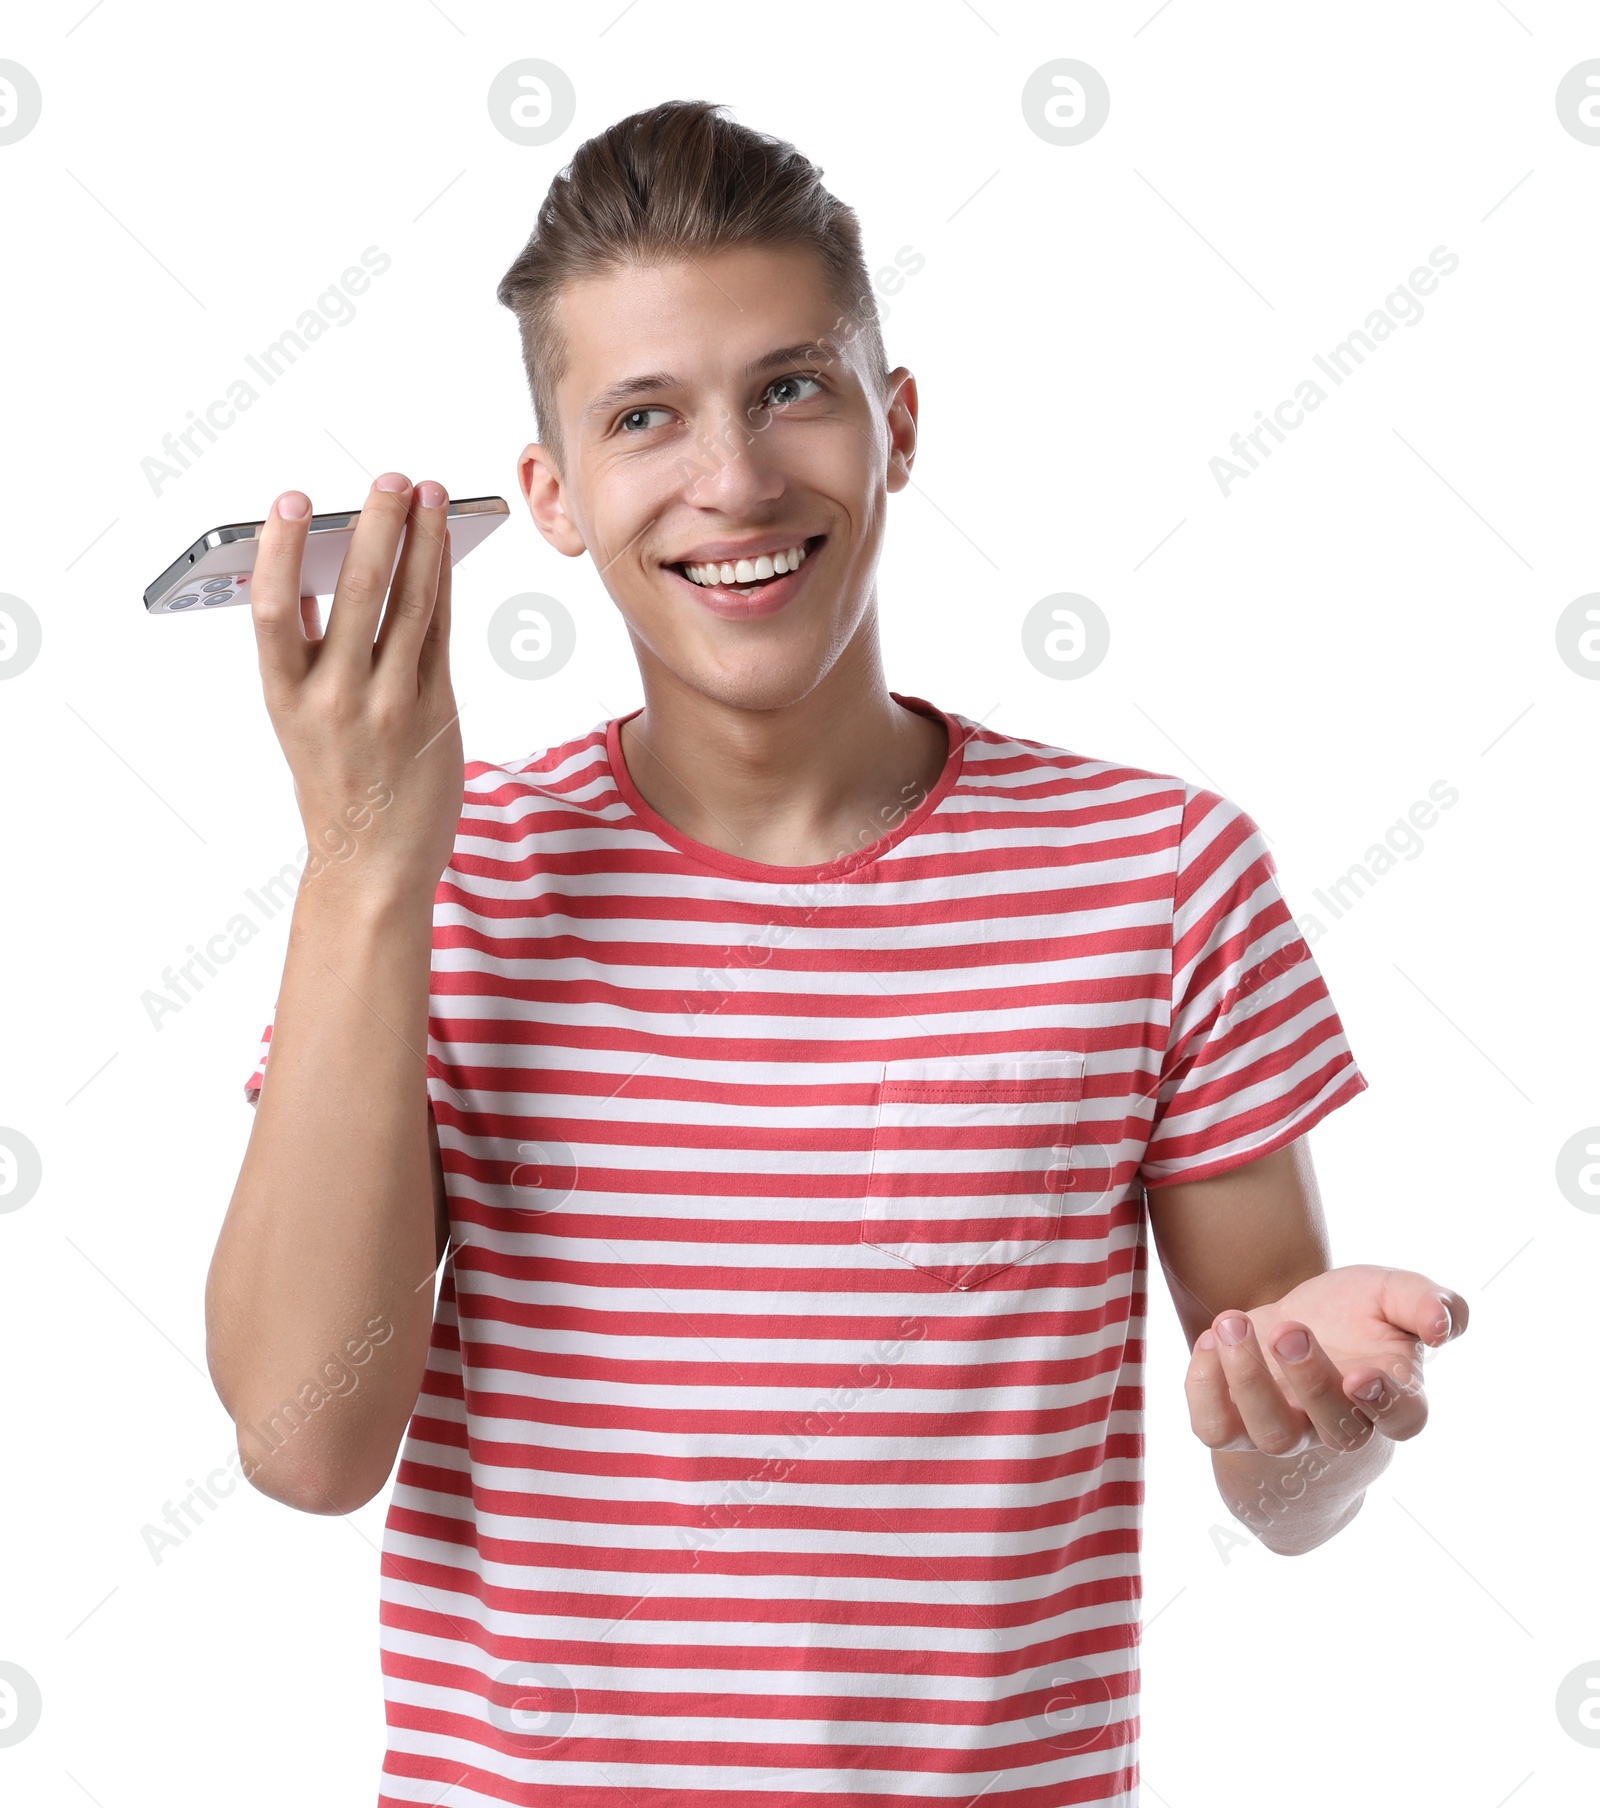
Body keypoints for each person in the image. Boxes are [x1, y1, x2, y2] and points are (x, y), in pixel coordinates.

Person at [205, 98, 1468, 1807]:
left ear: (901, 423)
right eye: (644, 416)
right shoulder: (451, 881)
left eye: (790, 387)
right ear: (553, 497)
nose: (733, 479)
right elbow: (300, 1446)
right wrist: (367, 863)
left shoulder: (1161, 876)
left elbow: (1279, 1460)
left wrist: (1312, 1439)